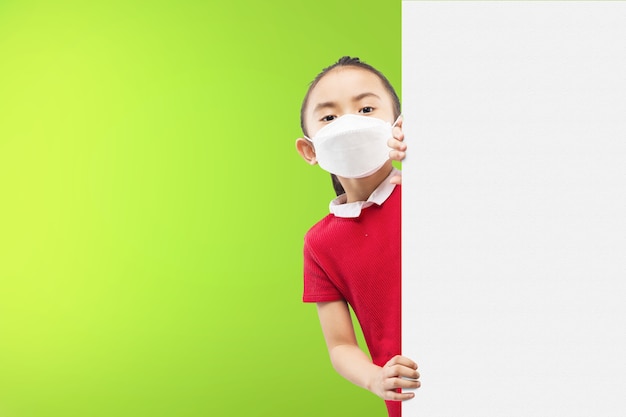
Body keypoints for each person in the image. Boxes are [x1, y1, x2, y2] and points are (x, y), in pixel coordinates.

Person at [295, 56, 418, 417]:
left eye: (365, 108)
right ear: (309, 151)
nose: (349, 123)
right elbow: (340, 346)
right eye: (329, 117)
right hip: (412, 400)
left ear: (399, 127)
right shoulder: (319, 243)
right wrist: (375, 379)